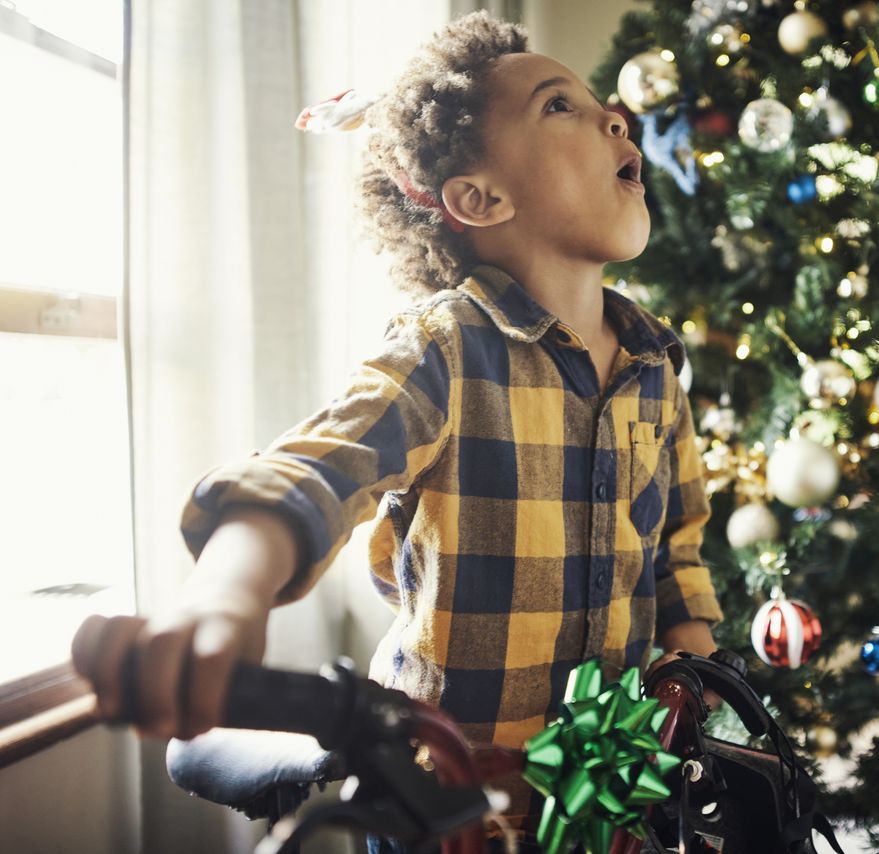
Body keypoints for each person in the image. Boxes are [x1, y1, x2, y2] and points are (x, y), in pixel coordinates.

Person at [72, 10, 724, 853]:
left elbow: (677, 550)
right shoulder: (446, 348)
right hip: (447, 810)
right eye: (561, 106)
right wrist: (224, 597)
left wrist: (695, 682)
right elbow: (313, 470)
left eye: (607, 108)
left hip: (611, 796)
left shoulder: (654, 365)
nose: (616, 117)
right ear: (480, 197)